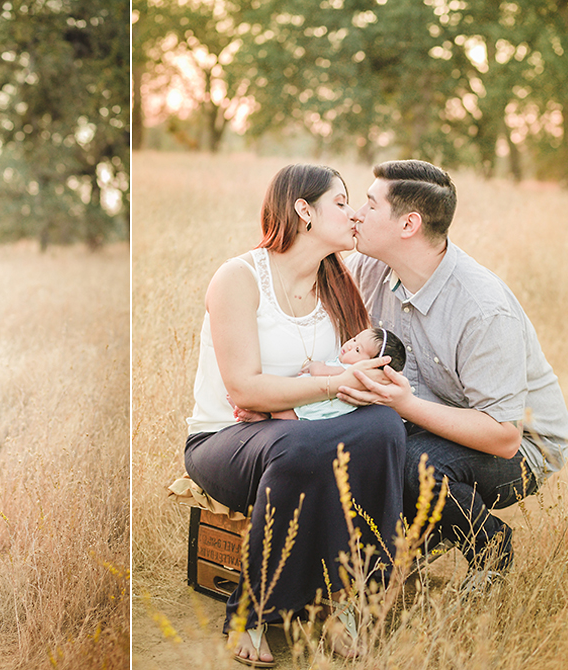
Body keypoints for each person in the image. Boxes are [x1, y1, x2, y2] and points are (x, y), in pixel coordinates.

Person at [184, 164, 407, 664]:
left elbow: (358, 380)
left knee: (386, 426)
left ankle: (342, 599)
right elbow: (243, 389)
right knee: (301, 449)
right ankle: (252, 610)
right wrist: (329, 386)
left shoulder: (339, 287)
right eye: (341, 202)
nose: (354, 214)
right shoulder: (239, 278)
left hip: (303, 432)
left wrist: (361, 386)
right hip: (227, 439)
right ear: (303, 211)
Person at [341, 159, 568, 591]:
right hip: (427, 424)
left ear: (409, 224)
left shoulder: (482, 309)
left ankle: (490, 548)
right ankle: (401, 551)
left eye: (370, 206)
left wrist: (404, 404)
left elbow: (505, 437)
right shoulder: (370, 270)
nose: (356, 213)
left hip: (523, 447)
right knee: (367, 445)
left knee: (415, 464)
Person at [233, 327, 406, 422]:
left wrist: (314, 365)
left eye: (358, 349)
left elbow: (321, 372)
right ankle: (259, 412)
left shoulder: (348, 373)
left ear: (371, 366)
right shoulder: (346, 368)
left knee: (282, 413)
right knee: (279, 407)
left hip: (310, 407)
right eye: (354, 339)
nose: (350, 345)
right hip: (307, 399)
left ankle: (260, 416)